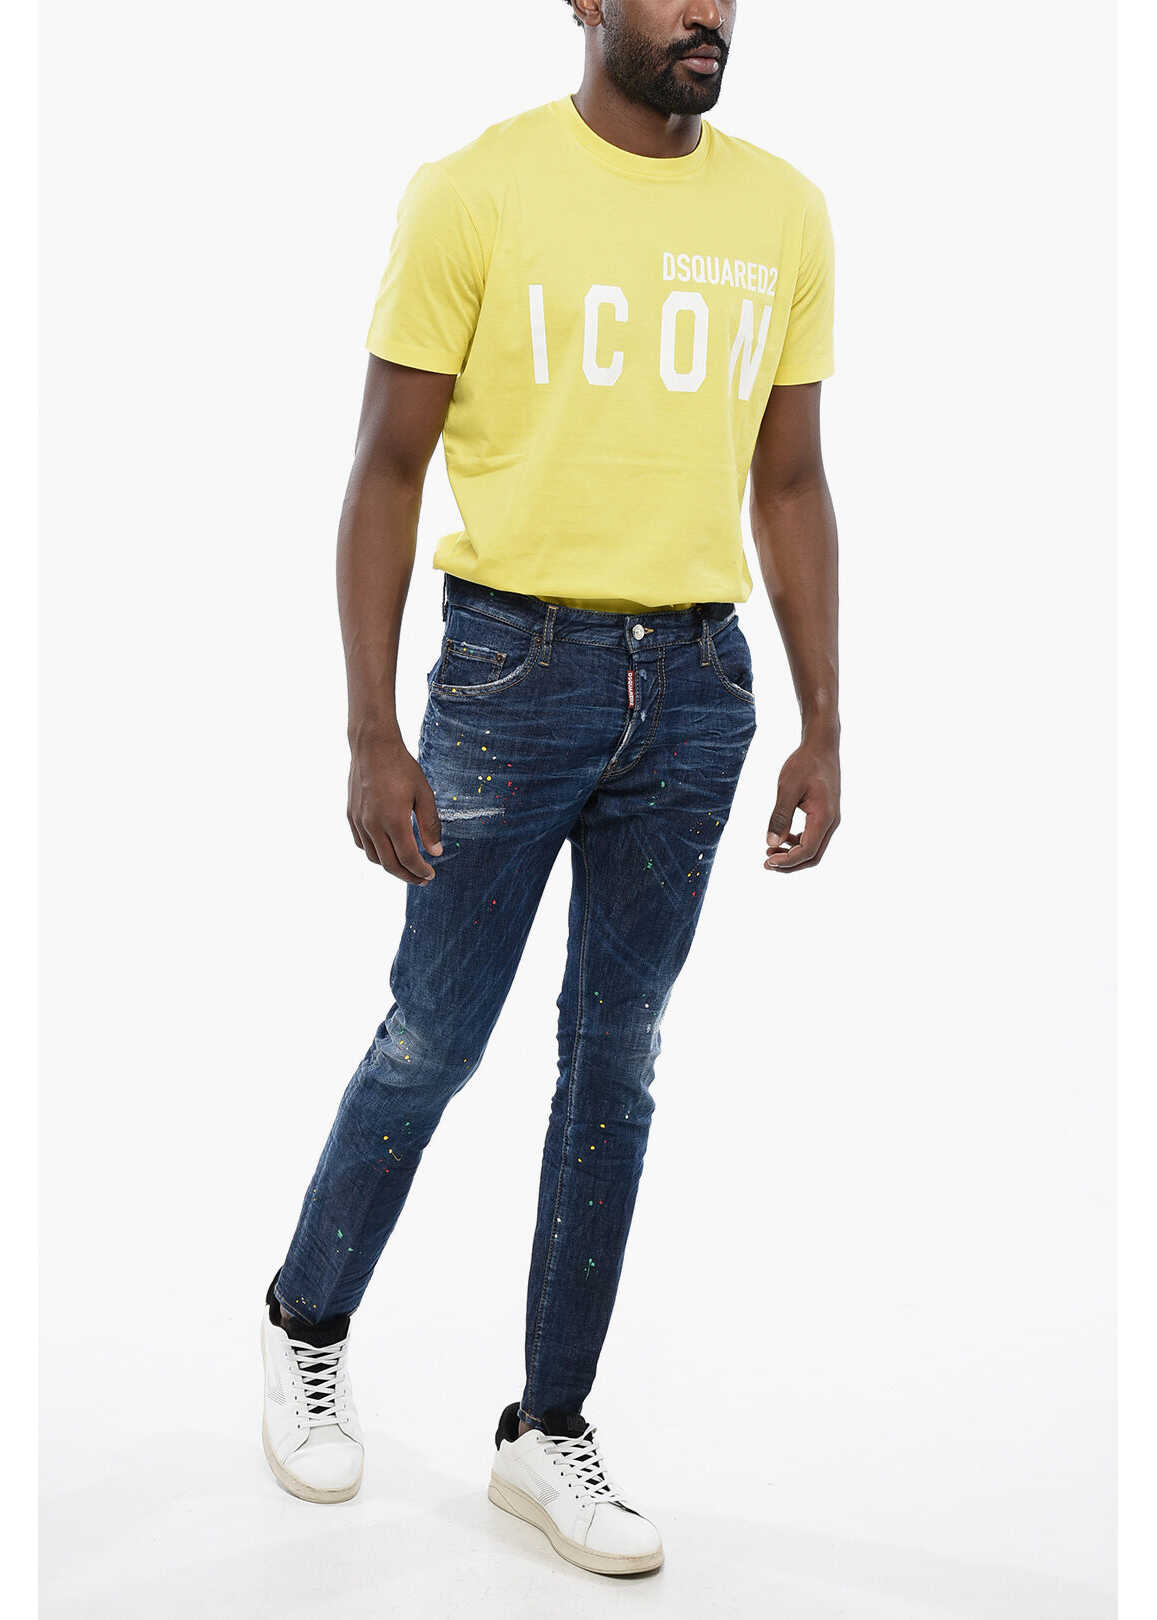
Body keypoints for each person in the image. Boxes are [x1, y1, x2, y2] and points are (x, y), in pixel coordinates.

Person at [260, 0, 840, 1577]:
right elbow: (385, 468)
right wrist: (369, 730)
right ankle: (307, 1323)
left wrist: (821, 720)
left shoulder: (782, 211)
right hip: (510, 673)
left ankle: (545, 1426)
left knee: (616, 1061)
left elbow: (789, 478)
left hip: (697, 689)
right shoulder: (475, 191)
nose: (705, 11)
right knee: (433, 1034)